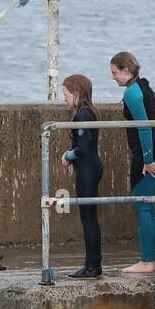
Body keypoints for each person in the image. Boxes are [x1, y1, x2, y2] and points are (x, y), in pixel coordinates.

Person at [109, 52, 155, 274]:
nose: (113, 78)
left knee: (143, 205)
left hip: (147, 154)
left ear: (126, 71)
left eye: (115, 73)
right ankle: (148, 259)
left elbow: (144, 126)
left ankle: (147, 261)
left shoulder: (132, 92)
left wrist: (148, 160)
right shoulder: (145, 86)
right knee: (147, 206)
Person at [59, 74, 102, 278]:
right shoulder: (90, 112)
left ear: (75, 93)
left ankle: (92, 265)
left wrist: (68, 155)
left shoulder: (82, 116)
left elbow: (83, 148)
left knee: (88, 219)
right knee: (90, 217)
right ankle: (92, 263)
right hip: (91, 166)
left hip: (87, 169)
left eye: (65, 94)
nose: (64, 99)